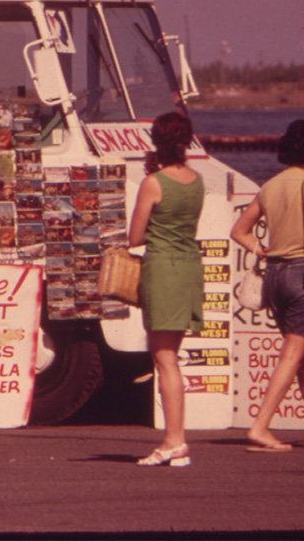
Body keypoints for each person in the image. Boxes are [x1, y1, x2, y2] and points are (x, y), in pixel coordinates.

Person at [230, 119, 304, 452]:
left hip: (275, 276)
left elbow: (239, 231)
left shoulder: (271, 186)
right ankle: (261, 426)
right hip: (303, 273)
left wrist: (259, 249)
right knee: (293, 355)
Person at [127, 111, 204, 468]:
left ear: (157, 140)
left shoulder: (154, 182)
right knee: (171, 355)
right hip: (190, 266)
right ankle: (175, 440)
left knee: (164, 359)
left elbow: (135, 236)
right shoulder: (197, 180)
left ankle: (174, 440)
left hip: (164, 269)